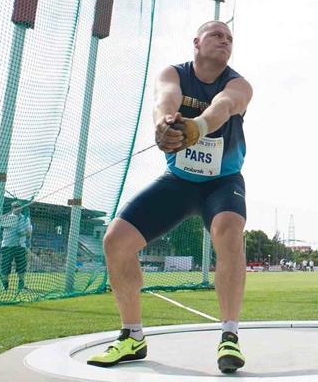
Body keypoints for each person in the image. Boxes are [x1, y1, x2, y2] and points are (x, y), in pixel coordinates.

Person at [87, 20, 252, 373]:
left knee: (228, 230)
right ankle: (132, 336)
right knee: (116, 241)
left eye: (229, 38)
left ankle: (229, 336)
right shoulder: (174, 73)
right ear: (196, 42)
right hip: (178, 181)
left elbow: (224, 106)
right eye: (216, 35)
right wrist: (163, 123)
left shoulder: (239, 84)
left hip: (222, 183)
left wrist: (199, 127)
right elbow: (166, 99)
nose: (225, 41)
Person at [0, 201, 32, 291]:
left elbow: (29, 233)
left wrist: (23, 233)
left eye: (19, 206)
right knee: (5, 266)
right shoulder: (7, 218)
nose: (17, 208)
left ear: (21, 208)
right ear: (12, 208)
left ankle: (21, 286)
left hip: (20, 246)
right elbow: (2, 226)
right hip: (8, 245)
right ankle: (5, 286)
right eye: (15, 207)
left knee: (21, 266)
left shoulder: (25, 219)